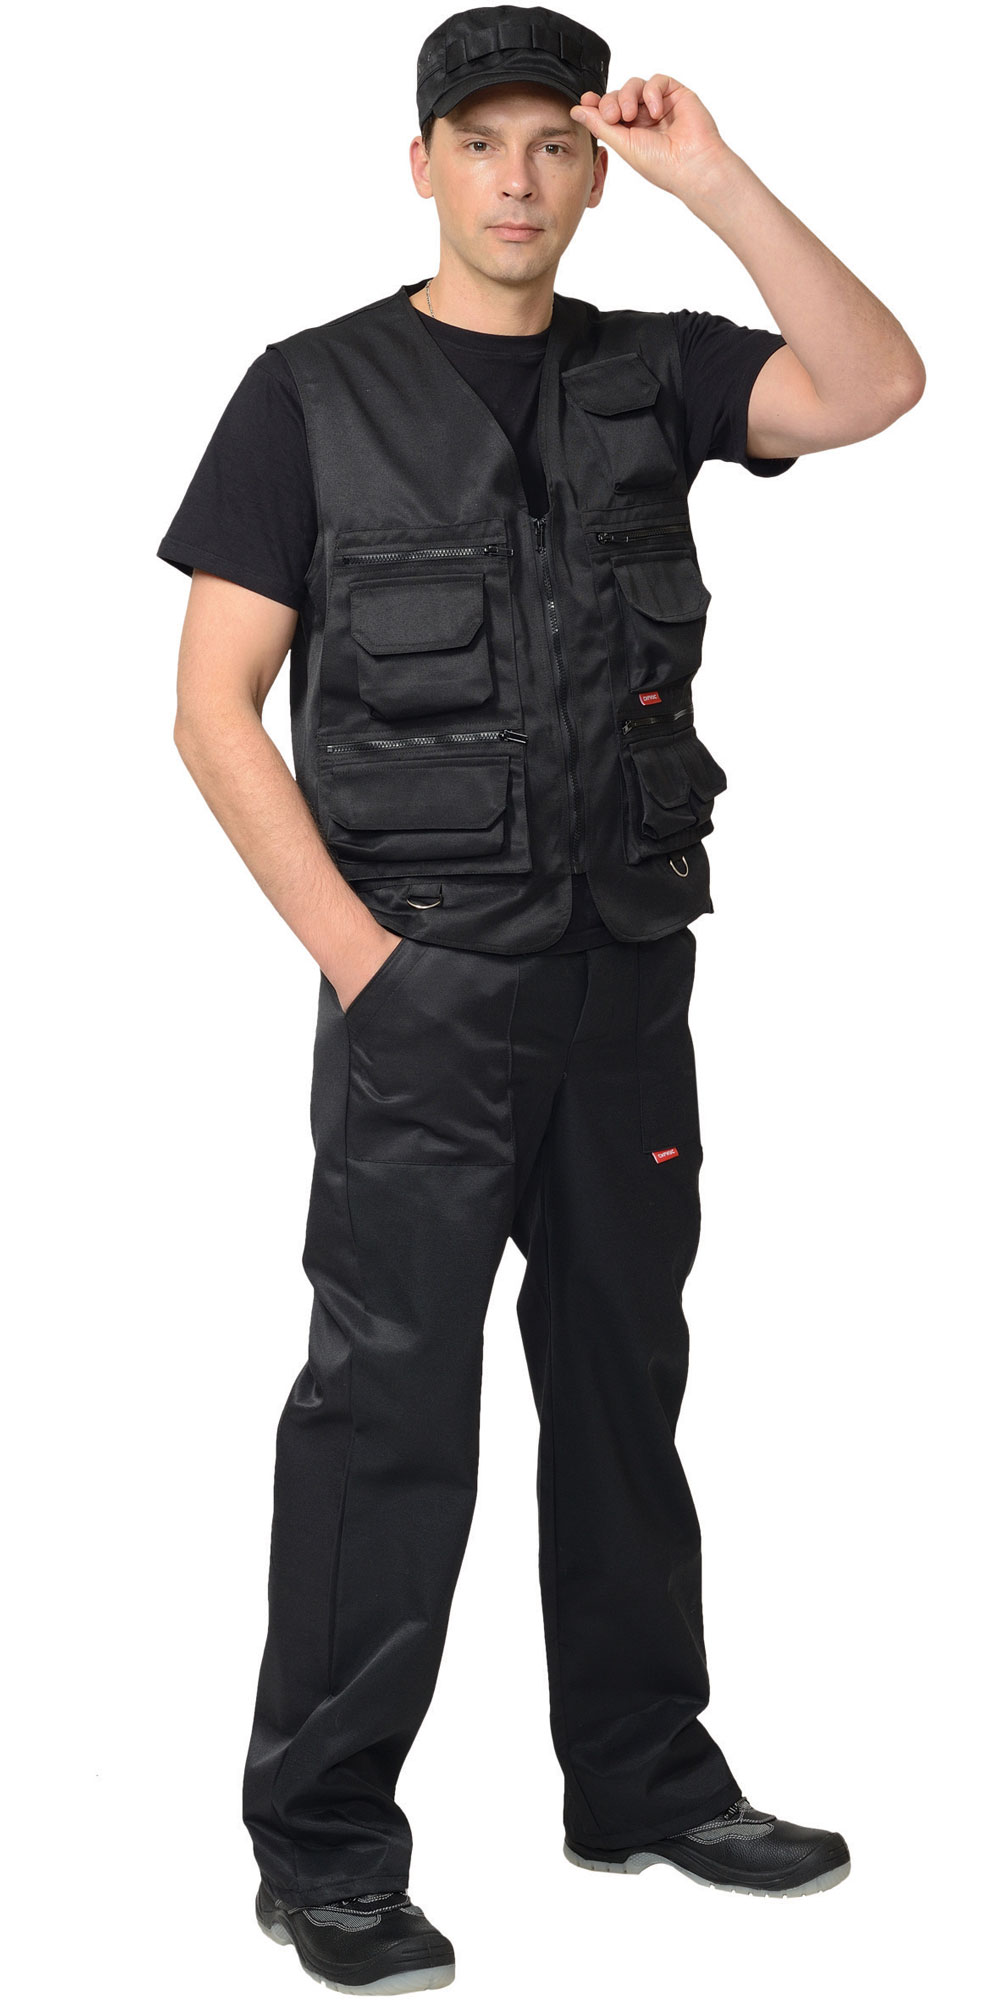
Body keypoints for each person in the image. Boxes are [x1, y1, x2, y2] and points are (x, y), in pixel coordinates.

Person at [159, 7, 924, 1990]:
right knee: (386, 1416)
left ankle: (643, 1779)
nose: (516, 178)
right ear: (418, 164)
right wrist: (365, 966)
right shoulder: (305, 394)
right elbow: (212, 708)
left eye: (553, 145)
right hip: (423, 995)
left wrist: (715, 176)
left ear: (592, 172)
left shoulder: (653, 373)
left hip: (624, 985)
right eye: (480, 141)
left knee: (620, 1387)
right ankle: (324, 1846)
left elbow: (874, 382)